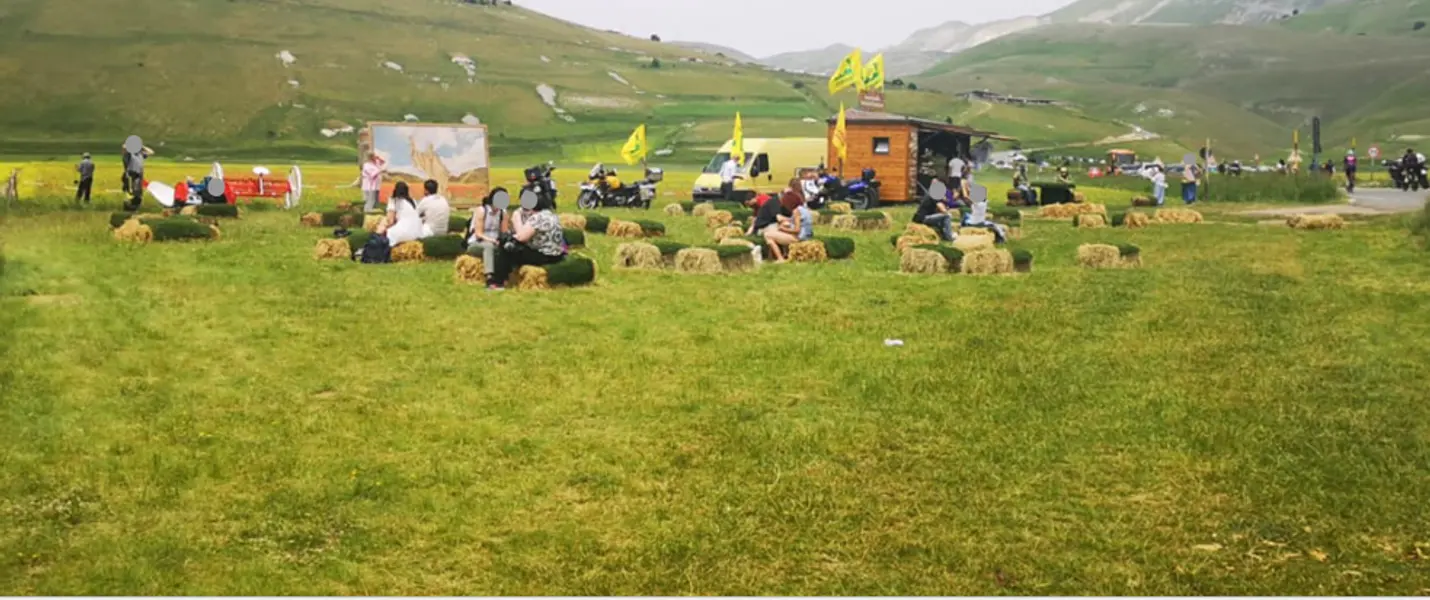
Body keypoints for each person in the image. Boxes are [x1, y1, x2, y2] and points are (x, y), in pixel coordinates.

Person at [490, 192, 567, 290]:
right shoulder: (552, 216)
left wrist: (516, 218)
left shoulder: (537, 217)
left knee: (507, 246)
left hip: (543, 255)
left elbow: (521, 237)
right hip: (556, 255)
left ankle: (498, 282)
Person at [466, 188, 512, 287]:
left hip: (495, 242)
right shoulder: (482, 210)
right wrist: (492, 240)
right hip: (477, 243)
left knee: (507, 248)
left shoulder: (503, 213)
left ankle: (504, 277)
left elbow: (504, 232)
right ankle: (489, 277)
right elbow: (478, 233)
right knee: (488, 246)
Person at [762, 181, 805, 262]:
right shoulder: (801, 209)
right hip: (802, 236)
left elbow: (797, 230)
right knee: (783, 226)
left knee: (767, 235)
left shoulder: (796, 212)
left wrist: (783, 229)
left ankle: (780, 258)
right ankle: (784, 254)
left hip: (798, 238)